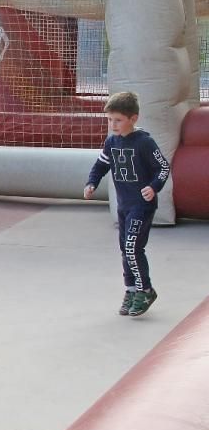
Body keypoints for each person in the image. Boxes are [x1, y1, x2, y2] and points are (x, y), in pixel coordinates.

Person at [84, 92, 172, 317]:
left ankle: (146, 289)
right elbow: (101, 165)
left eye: (118, 120)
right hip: (124, 205)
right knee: (126, 250)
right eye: (109, 120)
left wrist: (153, 187)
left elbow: (163, 167)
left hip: (141, 206)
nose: (113, 125)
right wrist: (91, 182)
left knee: (133, 247)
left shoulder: (144, 142)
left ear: (133, 119)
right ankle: (131, 289)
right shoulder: (111, 142)